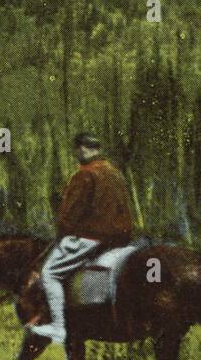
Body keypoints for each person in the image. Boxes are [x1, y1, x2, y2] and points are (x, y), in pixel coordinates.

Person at [29, 133, 133, 343]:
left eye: (84, 148)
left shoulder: (83, 175)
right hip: (121, 238)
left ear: (79, 150)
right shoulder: (115, 172)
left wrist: (62, 232)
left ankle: (58, 327)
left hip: (92, 236)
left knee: (50, 273)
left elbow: (70, 213)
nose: (83, 151)